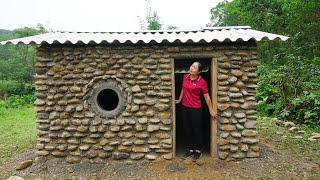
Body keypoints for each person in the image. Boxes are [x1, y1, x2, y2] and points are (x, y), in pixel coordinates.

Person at [175, 61, 217, 162]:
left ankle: (197, 150)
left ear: (198, 71)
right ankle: (190, 149)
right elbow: (183, 89)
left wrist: (211, 109)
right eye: (191, 66)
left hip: (196, 109)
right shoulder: (185, 77)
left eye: (194, 67)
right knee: (187, 128)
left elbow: (207, 97)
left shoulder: (202, 82)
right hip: (185, 108)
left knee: (196, 129)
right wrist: (180, 99)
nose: (191, 68)